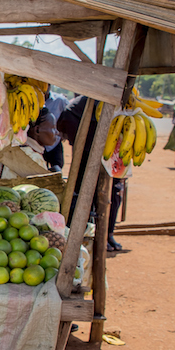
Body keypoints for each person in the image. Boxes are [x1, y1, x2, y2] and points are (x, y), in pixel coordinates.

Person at [57, 96, 124, 251]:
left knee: (113, 192)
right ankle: (89, 234)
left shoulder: (117, 108)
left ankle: (108, 234)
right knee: (85, 193)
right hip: (87, 152)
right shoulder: (75, 114)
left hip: (108, 151)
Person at [42, 90, 69, 171]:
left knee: (57, 166)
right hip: (38, 142)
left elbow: (69, 114)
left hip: (54, 142)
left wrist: (64, 131)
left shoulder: (60, 100)